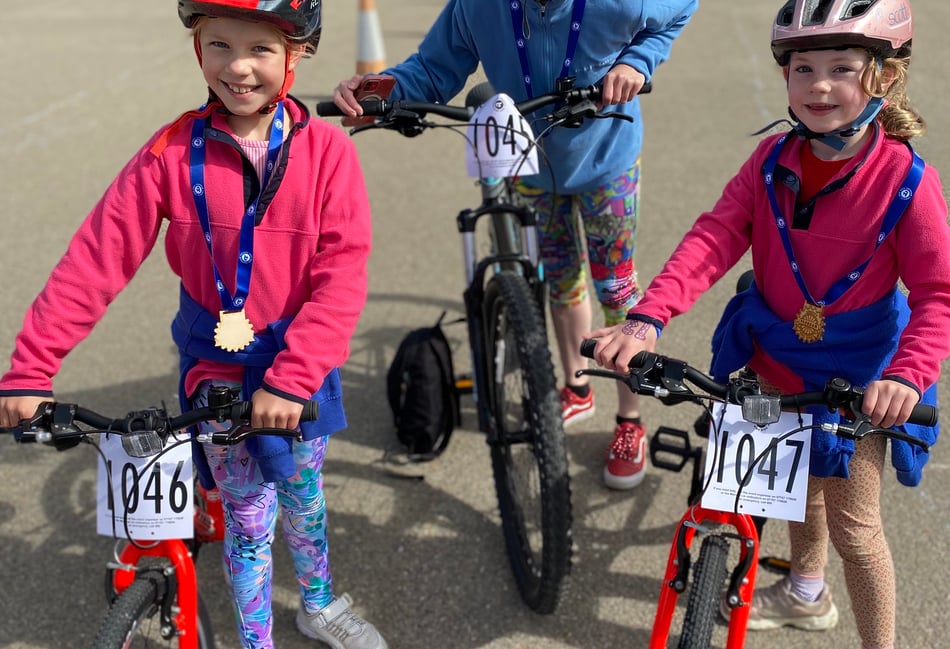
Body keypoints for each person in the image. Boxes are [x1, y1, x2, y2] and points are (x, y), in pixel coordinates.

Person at [0, 1, 386, 648]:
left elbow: (342, 277)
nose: (237, 67)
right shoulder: (169, 154)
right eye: (218, 44)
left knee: (303, 493)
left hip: (298, 364)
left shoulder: (326, 153)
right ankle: (256, 639)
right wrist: (30, 367)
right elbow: (95, 258)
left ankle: (317, 601)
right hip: (217, 370)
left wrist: (291, 380)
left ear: (297, 55)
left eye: (260, 49)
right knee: (247, 516)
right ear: (196, 47)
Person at [587, 1, 949, 647]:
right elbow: (713, 237)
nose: (818, 85)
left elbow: (937, 292)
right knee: (785, 493)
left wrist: (908, 374)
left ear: (884, 77)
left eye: (842, 67)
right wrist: (647, 317)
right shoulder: (770, 162)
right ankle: (806, 590)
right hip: (773, 357)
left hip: (861, 375)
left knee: (856, 528)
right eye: (802, 66)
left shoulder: (908, 183)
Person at [332, 0, 698, 490]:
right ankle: (578, 385)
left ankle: (629, 420)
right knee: (561, 281)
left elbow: (680, 8)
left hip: (606, 162)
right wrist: (378, 92)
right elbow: (435, 67)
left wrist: (639, 59)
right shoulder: (478, 6)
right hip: (528, 159)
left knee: (615, 291)